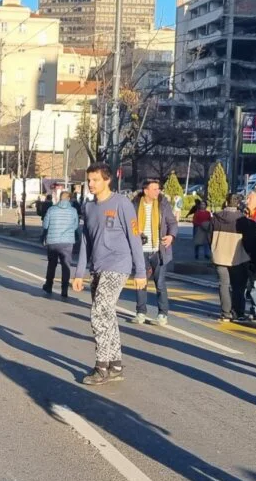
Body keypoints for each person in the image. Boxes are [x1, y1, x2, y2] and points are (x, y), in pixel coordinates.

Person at [71, 163, 146, 386]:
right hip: (98, 267)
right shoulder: (88, 207)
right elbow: (85, 241)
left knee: (99, 312)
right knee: (108, 316)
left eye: (95, 180)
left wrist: (140, 271)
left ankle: (101, 366)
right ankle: (115, 364)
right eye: (89, 180)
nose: (91, 184)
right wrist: (79, 272)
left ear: (107, 180)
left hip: (119, 265)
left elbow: (134, 237)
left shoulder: (122, 203)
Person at [130, 178, 176, 326]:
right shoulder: (135, 205)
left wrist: (171, 236)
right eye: (155, 189)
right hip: (140, 251)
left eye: (158, 189)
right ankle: (140, 312)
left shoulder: (163, 204)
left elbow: (172, 223)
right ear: (146, 190)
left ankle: (162, 314)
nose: (158, 192)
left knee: (160, 284)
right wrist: (136, 232)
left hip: (158, 250)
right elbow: (129, 224)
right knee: (141, 282)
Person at [210, 194, 255, 322]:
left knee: (223, 285)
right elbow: (249, 241)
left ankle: (225, 312)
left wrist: (214, 249)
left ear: (226, 202)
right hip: (238, 256)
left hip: (219, 254)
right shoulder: (243, 220)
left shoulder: (216, 218)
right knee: (238, 286)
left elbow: (210, 237)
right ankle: (238, 313)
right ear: (238, 204)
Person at [42, 191, 79, 298]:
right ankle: (64, 290)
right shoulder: (73, 211)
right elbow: (76, 226)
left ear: (60, 198)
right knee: (66, 265)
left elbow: (45, 225)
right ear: (69, 199)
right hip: (67, 242)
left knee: (52, 264)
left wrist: (44, 236)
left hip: (53, 241)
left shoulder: (51, 209)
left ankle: (49, 285)